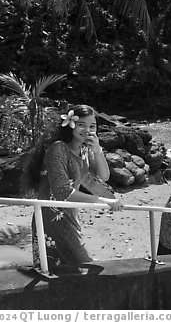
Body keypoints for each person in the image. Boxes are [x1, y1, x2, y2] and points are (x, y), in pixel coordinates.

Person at [21, 104, 124, 271]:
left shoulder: (84, 150)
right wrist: (102, 200)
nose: (87, 130)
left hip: (70, 214)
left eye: (92, 126)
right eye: (81, 124)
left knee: (68, 272)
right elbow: (62, 192)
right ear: (70, 124)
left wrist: (98, 150)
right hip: (52, 216)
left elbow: (104, 176)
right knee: (77, 265)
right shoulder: (58, 149)